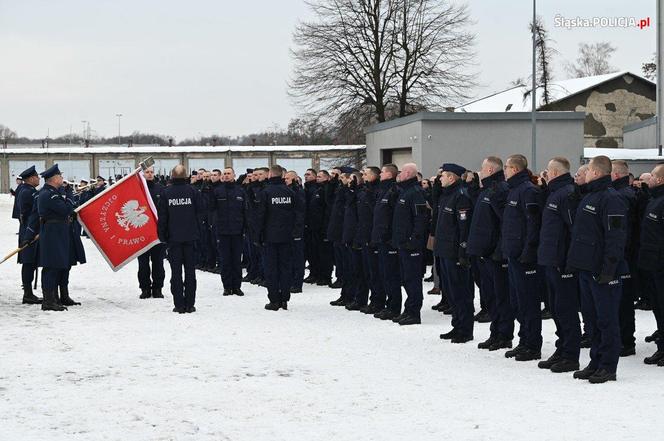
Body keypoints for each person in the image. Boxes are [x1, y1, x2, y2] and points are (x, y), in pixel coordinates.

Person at [567, 155, 628, 383]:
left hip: (603, 271)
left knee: (606, 320)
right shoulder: (590, 196)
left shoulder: (612, 199)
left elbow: (616, 237)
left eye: (589, 170)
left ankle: (608, 366)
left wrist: (609, 268)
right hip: (586, 268)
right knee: (591, 320)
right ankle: (595, 361)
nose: (586, 173)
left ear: (596, 172)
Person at [536, 157, 582, 373]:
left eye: (547, 170)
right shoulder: (554, 192)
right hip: (550, 260)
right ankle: (561, 348)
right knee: (555, 308)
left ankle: (571, 354)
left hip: (562, 262)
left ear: (554, 172)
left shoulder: (567, 194)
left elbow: (573, 231)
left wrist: (569, 261)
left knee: (566, 310)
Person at [467, 156, 514, 351]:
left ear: (490, 170)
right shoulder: (486, 190)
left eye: (482, 167)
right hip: (483, 253)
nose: (479, 171)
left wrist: (498, 251)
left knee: (500, 296)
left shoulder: (500, 190)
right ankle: (495, 332)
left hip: (495, 254)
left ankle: (504, 334)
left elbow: (505, 223)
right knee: (490, 296)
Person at [502, 154, 543, 361]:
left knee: (528, 302)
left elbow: (533, 225)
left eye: (507, 167)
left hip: (525, 257)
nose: (505, 170)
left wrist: (528, 251)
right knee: (517, 301)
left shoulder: (528, 191)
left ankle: (533, 344)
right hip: (513, 254)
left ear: (516, 169)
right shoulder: (513, 190)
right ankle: (523, 339)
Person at [34, 164, 87, 311]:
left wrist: (66, 195)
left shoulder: (53, 192)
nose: (63, 179)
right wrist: (69, 196)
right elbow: (66, 209)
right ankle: (49, 301)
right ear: (54, 179)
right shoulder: (49, 194)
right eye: (60, 176)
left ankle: (56, 298)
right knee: (51, 267)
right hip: (52, 233)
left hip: (58, 232)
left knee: (60, 265)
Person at [435, 163, 474, 343]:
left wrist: (462, 252)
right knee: (451, 292)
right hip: (444, 251)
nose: (439, 178)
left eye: (443, 176)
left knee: (461, 292)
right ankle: (456, 325)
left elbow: (463, 227)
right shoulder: (447, 195)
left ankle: (465, 329)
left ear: (451, 177)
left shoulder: (461, 196)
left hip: (454, 252)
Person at [158, 164, 203, 314]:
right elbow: (200, 214)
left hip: (173, 238)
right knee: (190, 272)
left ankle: (179, 304)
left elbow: (163, 217)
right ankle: (190, 303)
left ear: (171, 176)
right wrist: (197, 232)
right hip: (191, 238)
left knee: (175, 272)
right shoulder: (193, 191)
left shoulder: (166, 193)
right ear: (186, 176)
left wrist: (162, 236)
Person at [257, 165, 301, 311]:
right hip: (287, 236)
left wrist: (258, 235)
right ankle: (284, 299)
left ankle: (274, 300)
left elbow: (261, 216)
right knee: (285, 268)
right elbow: (297, 213)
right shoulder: (290, 192)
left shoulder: (266, 192)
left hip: (270, 237)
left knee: (271, 269)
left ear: (270, 175)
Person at [391, 163, 429, 325]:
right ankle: (408, 309)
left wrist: (414, 239)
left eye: (401, 172)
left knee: (413, 279)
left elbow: (421, 219)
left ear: (407, 173)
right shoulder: (404, 191)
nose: (399, 175)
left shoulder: (416, 192)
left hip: (412, 245)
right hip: (402, 243)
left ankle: (414, 313)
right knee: (406, 278)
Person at [610, 160, 638, 357]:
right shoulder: (622, 194)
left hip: (626, 256)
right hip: (628, 255)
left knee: (624, 302)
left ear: (616, 175)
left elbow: (625, 231)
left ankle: (626, 341)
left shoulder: (622, 196)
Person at [638, 164, 664, 366]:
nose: (650, 179)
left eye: (653, 176)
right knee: (658, 308)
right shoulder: (654, 199)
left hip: (660, 263)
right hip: (652, 264)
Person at [371, 164, 402, 320]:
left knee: (391, 275)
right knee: (384, 274)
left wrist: (390, 237)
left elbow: (394, 218)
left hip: (389, 241)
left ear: (390, 175)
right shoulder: (382, 191)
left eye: (382, 172)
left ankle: (394, 307)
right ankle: (389, 305)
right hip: (380, 239)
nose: (380, 175)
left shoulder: (393, 191)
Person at [212, 167, 246, 296]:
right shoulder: (217, 191)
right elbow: (211, 208)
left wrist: (245, 228)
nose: (226, 176)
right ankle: (227, 286)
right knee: (225, 260)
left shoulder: (240, 191)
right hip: (222, 231)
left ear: (234, 175)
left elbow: (245, 211)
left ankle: (237, 286)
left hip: (237, 231)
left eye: (228, 174)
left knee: (236, 260)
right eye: (224, 174)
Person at [137, 166, 166, 299]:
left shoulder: (160, 189)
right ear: (142, 174)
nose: (149, 174)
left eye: (151, 172)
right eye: (146, 172)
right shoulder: (137, 189)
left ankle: (158, 288)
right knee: (143, 263)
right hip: (141, 232)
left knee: (158, 262)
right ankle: (145, 288)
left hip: (157, 232)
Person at [15, 165, 42, 304]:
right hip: (29, 231)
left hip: (28, 230)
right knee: (28, 262)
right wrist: (31, 232)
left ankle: (29, 292)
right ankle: (27, 293)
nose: (38, 179)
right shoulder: (28, 192)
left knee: (30, 262)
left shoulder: (27, 190)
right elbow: (29, 214)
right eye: (37, 177)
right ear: (31, 178)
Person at [285, 170, 306, 294]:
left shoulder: (298, 192)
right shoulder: (287, 191)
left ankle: (297, 283)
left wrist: (297, 229)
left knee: (297, 258)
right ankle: (291, 280)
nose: (285, 180)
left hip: (296, 229)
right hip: (288, 229)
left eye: (288, 178)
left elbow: (300, 212)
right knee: (289, 257)